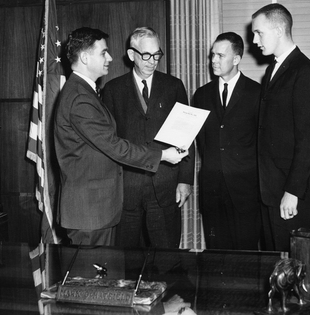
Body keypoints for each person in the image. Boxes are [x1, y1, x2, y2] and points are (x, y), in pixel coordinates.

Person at [54, 27, 188, 246]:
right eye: (103, 53)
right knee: (94, 276)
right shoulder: (81, 98)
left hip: (98, 207)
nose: (110, 57)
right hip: (91, 210)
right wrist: (162, 155)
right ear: (86, 57)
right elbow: (114, 145)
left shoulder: (84, 92)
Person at [102, 27, 195, 248]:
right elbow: (109, 142)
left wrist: (184, 180)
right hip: (127, 190)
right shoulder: (112, 90)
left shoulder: (173, 86)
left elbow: (186, 136)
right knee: (128, 261)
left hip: (165, 187)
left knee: (167, 260)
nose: (152, 61)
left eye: (157, 55)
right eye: (146, 55)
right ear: (131, 54)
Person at [252, 3, 310, 252]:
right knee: (277, 268)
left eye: (259, 32)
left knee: (295, 271)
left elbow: (309, 140)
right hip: (270, 190)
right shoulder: (272, 69)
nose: (254, 40)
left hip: (290, 194)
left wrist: (292, 191)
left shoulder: (305, 71)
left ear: (280, 29)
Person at [193, 32, 261, 250]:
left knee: (247, 257)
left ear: (236, 58)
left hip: (245, 192)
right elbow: (201, 143)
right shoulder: (201, 95)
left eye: (220, 55)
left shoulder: (257, 93)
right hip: (212, 190)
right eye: (213, 55)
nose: (213, 60)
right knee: (215, 256)